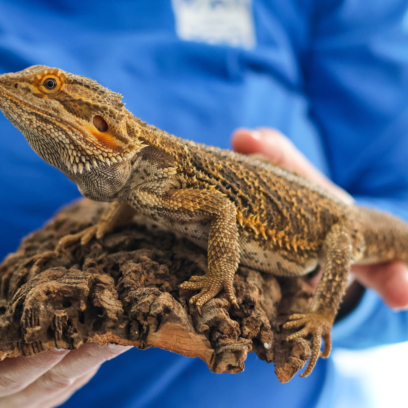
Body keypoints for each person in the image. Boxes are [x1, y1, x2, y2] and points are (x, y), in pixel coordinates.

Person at [0, 1, 408, 407]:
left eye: (48, 87)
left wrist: (318, 305)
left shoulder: (155, 174)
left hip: (316, 245)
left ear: (102, 125)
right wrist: (108, 223)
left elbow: (221, 209)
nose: (17, 87)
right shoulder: (140, 179)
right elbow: (130, 193)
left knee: (342, 239)